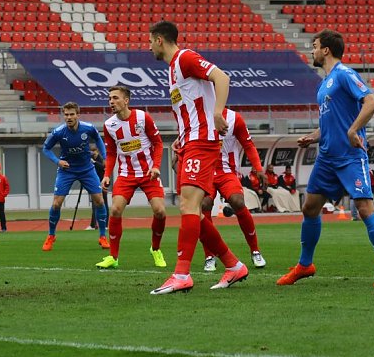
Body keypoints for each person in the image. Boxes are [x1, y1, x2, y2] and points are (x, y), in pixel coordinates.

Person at [278, 29, 374, 287]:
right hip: (327, 158)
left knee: (365, 209)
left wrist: (354, 131)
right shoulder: (324, 85)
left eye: (315, 46)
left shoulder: (344, 74)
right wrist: (313, 136)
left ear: (326, 50)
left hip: (350, 157)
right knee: (309, 207)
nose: (312, 50)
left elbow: (372, 102)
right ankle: (305, 265)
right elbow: (331, 123)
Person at [148, 20, 248, 294]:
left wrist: (218, 112)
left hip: (202, 142)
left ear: (159, 39)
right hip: (191, 142)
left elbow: (222, 77)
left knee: (188, 207)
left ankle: (181, 274)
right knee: (196, 212)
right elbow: (191, 107)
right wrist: (182, 136)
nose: (148, 47)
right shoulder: (173, 70)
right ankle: (233, 265)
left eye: (149, 41)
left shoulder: (185, 58)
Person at [96, 85, 167, 269]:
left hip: (148, 173)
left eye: (115, 98)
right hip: (126, 174)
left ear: (126, 100)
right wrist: (106, 175)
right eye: (109, 98)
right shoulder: (109, 125)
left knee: (160, 211)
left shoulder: (143, 118)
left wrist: (156, 167)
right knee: (115, 210)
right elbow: (111, 153)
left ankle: (156, 249)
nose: (111, 102)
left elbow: (158, 144)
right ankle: (113, 257)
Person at [192, 107, 267, 272]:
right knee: (204, 205)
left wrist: (258, 168)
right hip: (205, 171)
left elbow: (248, 144)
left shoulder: (234, 118)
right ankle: (209, 256)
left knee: (238, 201)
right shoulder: (197, 115)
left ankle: (255, 251)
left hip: (227, 171)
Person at [41, 102, 108, 252]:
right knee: (56, 203)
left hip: (87, 169)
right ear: (63, 115)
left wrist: (105, 158)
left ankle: (103, 236)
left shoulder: (88, 128)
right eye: (66, 114)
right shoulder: (58, 132)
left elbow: (98, 140)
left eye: (72, 114)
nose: (69, 117)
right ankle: (51, 236)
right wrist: (57, 161)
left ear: (78, 115)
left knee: (99, 200)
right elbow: (45, 149)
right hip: (67, 170)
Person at [88, 145, 109, 230]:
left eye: (94, 151)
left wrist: (94, 162)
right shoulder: (91, 159)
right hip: (94, 183)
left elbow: (103, 167)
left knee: (104, 203)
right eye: (91, 151)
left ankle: (106, 224)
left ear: (97, 150)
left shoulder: (101, 159)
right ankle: (93, 224)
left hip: (102, 183)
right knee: (94, 204)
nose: (93, 152)